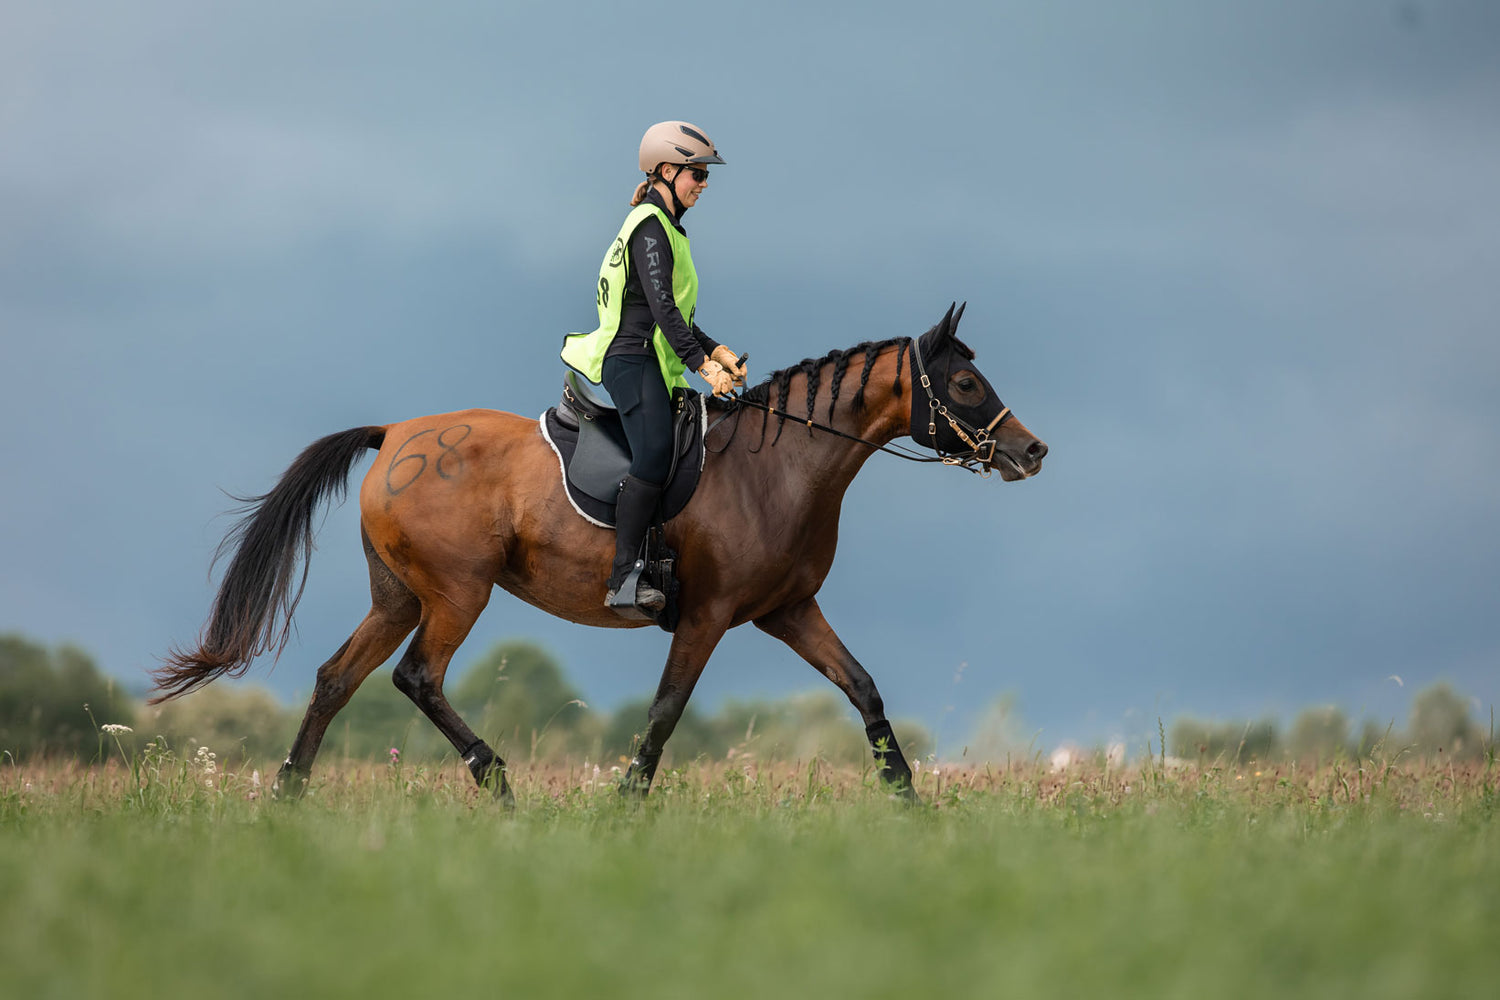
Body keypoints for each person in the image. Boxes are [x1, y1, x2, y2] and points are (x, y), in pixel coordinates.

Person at [561, 120, 748, 615]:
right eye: (697, 175)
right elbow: (663, 312)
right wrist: (702, 366)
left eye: (706, 177)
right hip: (630, 357)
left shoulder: (668, 228)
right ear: (666, 171)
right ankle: (623, 577)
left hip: (651, 356)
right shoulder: (649, 226)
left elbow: (676, 313)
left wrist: (716, 347)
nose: (703, 186)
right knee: (656, 451)